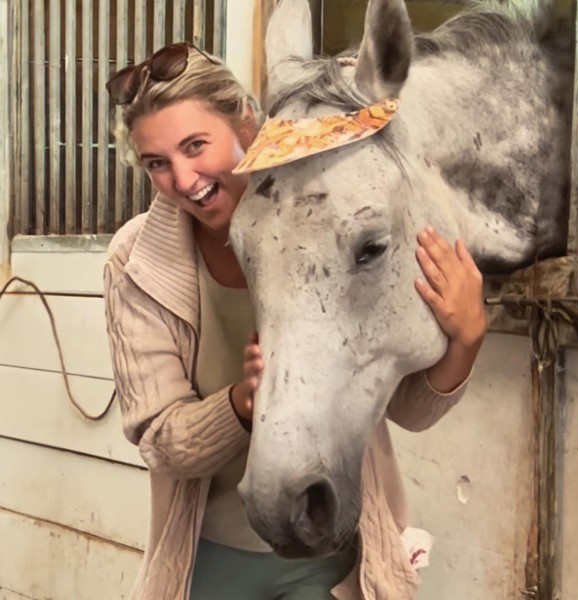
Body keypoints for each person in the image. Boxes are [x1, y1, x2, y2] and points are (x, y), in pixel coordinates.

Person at [104, 42, 487, 600]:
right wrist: (242, 403)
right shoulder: (134, 263)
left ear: (246, 123)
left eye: (195, 146)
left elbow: (406, 410)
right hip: (207, 557)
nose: (183, 179)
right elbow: (161, 443)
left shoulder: (332, 224)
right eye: (157, 163)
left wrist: (466, 339)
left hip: (331, 549)